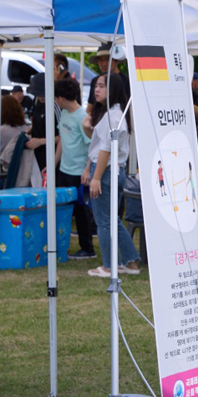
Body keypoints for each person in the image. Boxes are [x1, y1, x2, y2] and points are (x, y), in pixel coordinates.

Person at [83, 74, 142, 278]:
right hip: (111, 170)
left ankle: (109, 266)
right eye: (95, 86)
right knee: (112, 220)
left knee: (104, 221)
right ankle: (130, 263)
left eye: (101, 86)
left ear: (113, 89)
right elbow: (101, 144)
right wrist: (87, 128)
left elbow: (106, 149)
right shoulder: (113, 114)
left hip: (107, 171)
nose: (96, 90)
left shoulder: (113, 116)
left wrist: (96, 177)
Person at [52, 79, 96, 261]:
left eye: (55, 97)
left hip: (79, 172)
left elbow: (92, 146)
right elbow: (62, 139)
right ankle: (59, 245)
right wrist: (53, 163)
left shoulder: (82, 117)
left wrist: (87, 170)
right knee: (61, 209)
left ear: (60, 98)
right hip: (64, 170)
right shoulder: (63, 113)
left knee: (81, 212)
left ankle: (87, 248)